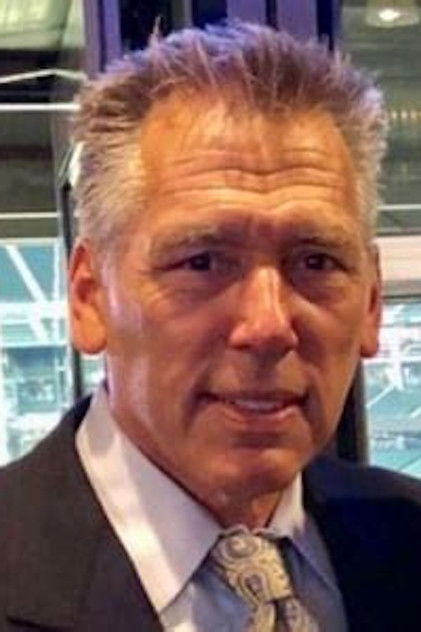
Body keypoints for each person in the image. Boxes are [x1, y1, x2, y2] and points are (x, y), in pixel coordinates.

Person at [1, 21, 421, 632]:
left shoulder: (407, 542)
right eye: (201, 262)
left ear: (373, 303)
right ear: (89, 297)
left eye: (316, 262)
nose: (267, 325)